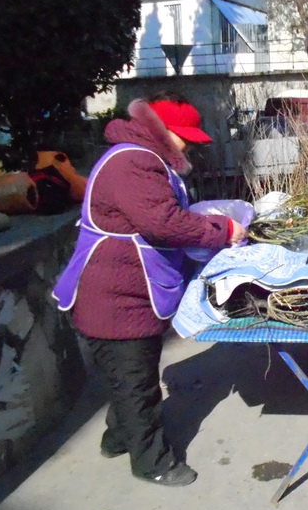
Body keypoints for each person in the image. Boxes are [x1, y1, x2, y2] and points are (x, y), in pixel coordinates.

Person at [53, 93, 248, 487]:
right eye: (185, 137)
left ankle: (117, 437)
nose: (190, 145)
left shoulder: (144, 158)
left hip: (130, 292)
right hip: (114, 298)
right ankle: (153, 463)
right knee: (136, 383)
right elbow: (164, 223)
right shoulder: (133, 161)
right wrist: (224, 231)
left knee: (129, 376)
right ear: (162, 131)